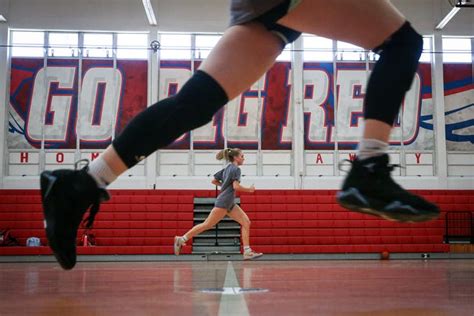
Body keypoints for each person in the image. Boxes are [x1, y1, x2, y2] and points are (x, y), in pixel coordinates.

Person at [40, 0, 439, 270]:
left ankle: (80, 184)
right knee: (403, 42)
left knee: (194, 104)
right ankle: (369, 167)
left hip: (265, 11)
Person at [173, 148, 262, 260]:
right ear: (235, 157)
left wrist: (224, 186)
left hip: (229, 202)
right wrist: (249, 190)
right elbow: (236, 187)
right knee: (207, 224)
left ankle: (247, 251)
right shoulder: (236, 169)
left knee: (246, 222)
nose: (244, 158)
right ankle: (181, 239)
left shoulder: (227, 168)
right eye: (242, 156)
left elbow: (214, 181)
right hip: (224, 202)